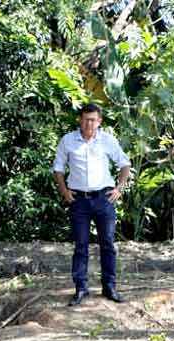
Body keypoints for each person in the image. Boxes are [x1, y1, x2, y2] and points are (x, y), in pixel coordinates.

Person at [53, 103, 131, 306]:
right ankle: (80, 288)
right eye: (86, 119)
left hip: (103, 199)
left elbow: (124, 164)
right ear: (80, 119)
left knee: (107, 243)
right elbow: (58, 168)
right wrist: (64, 191)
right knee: (80, 245)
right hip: (78, 200)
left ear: (99, 121)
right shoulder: (68, 141)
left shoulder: (107, 140)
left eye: (93, 120)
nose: (89, 124)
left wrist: (119, 188)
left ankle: (109, 287)